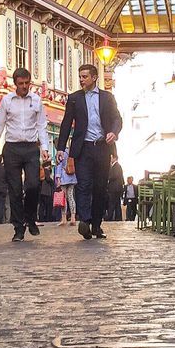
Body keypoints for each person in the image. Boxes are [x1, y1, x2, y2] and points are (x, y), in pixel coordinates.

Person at [57, 63, 123, 240]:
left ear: (94, 78)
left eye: (84, 76)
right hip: (83, 147)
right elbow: (66, 123)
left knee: (100, 187)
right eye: (80, 76)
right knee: (84, 184)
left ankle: (96, 225)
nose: (81, 80)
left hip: (102, 146)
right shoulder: (74, 98)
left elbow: (117, 119)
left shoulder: (107, 98)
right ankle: (84, 221)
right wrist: (61, 148)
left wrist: (113, 133)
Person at [0, 67, 51, 242]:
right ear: (15, 83)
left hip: (31, 147)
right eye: (21, 83)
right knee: (14, 190)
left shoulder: (36, 100)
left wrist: (44, 147)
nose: (24, 86)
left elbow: (41, 126)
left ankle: (30, 218)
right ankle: (18, 227)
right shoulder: (7, 101)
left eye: (27, 83)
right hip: (12, 148)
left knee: (33, 185)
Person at [54, 153, 78, 226]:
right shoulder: (71, 152)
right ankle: (73, 218)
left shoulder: (61, 153)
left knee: (63, 198)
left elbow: (59, 165)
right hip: (72, 176)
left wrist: (58, 178)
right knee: (71, 197)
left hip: (64, 177)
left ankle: (64, 218)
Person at [107, 153, 125, 222]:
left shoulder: (116, 166)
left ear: (114, 158)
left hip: (115, 188)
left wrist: (108, 178)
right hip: (117, 188)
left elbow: (115, 175)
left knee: (112, 203)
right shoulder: (116, 166)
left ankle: (110, 216)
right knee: (117, 204)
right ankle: (118, 217)